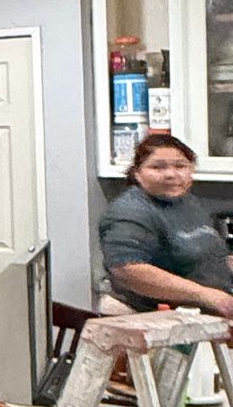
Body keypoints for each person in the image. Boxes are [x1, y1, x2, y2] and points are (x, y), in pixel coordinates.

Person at [98, 132, 233, 318]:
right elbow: (128, 270)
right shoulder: (129, 210)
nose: (171, 174)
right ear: (138, 173)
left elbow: (206, 253)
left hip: (199, 315)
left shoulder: (188, 203)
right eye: (157, 167)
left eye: (180, 166)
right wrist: (208, 296)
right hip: (145, 317)